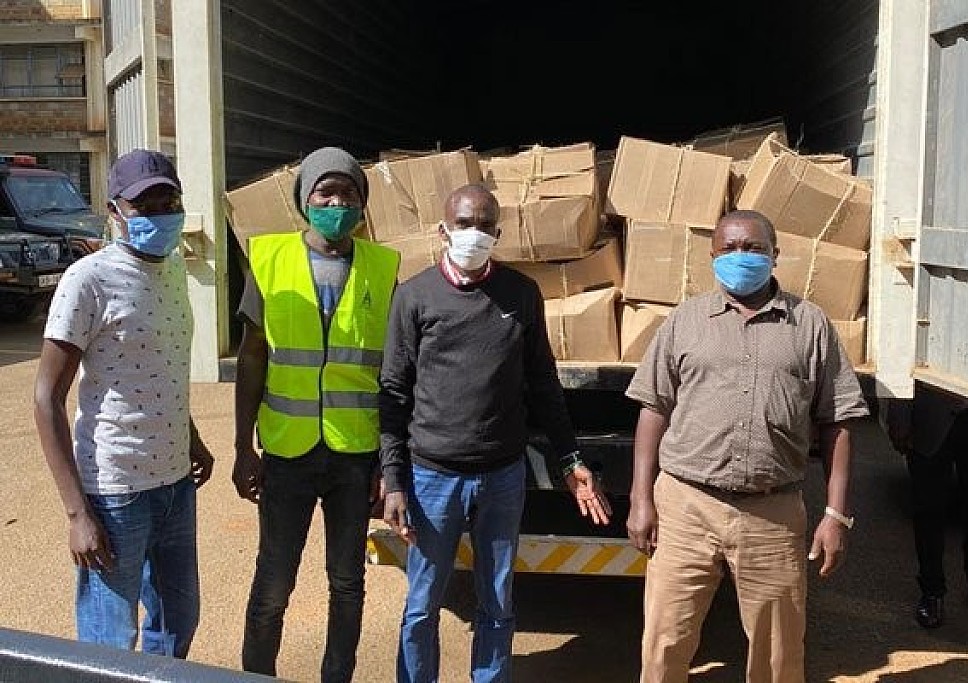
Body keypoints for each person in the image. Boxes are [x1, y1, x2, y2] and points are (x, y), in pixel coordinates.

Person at [379, 183, 612, 683]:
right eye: (464, 224)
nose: (474, 233)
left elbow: (543, 383)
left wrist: (570, 459)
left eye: (485, 225)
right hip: (432, 478)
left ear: (498, 234)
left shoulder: (521, 294)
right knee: (422, 604)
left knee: (498, 600)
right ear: (443, 230)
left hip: (502, 476)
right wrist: (394, 480)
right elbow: (394, 393)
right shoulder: (414, 296)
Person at [624, 209, 869, 683]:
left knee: (778, 656)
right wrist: (640, 499)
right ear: (712, 255)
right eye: (730, 248)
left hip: (772, 514)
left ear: (775, 255)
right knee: (665, 644)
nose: (741, 256)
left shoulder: (810, 325)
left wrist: (836, 514)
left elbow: (837, 421)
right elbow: (653, 409)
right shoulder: (685, 321)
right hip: (686, 507)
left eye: (753, 248)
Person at [33, 148, 215, 658]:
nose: (159, 214)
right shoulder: (87, 280)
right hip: (116, 493)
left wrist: (191, 437)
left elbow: (160, 366)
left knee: (178, 621)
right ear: (114, 211)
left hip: (175, 485)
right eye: (144, 205)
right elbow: (46, 397)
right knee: (110, 643)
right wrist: (77, 514)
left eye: (168, 202)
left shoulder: (173, 269)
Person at [232, 146, 400, 683]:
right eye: (325, 192)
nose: (336, 202)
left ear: (362, 204)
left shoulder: (383, 268)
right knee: (274, 585)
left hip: (355, 455)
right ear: (305, 199)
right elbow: (252, 359)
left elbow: (393, 375)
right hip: (287, 451)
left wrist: (389, 464)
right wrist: (242, 447)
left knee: (347, 583)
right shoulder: (269, 260)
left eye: (348, 193)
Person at [886, 383, 968, 628]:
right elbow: (900, 360)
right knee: (928, 509)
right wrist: (898, 414)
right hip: (929, 414)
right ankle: (931, 590)